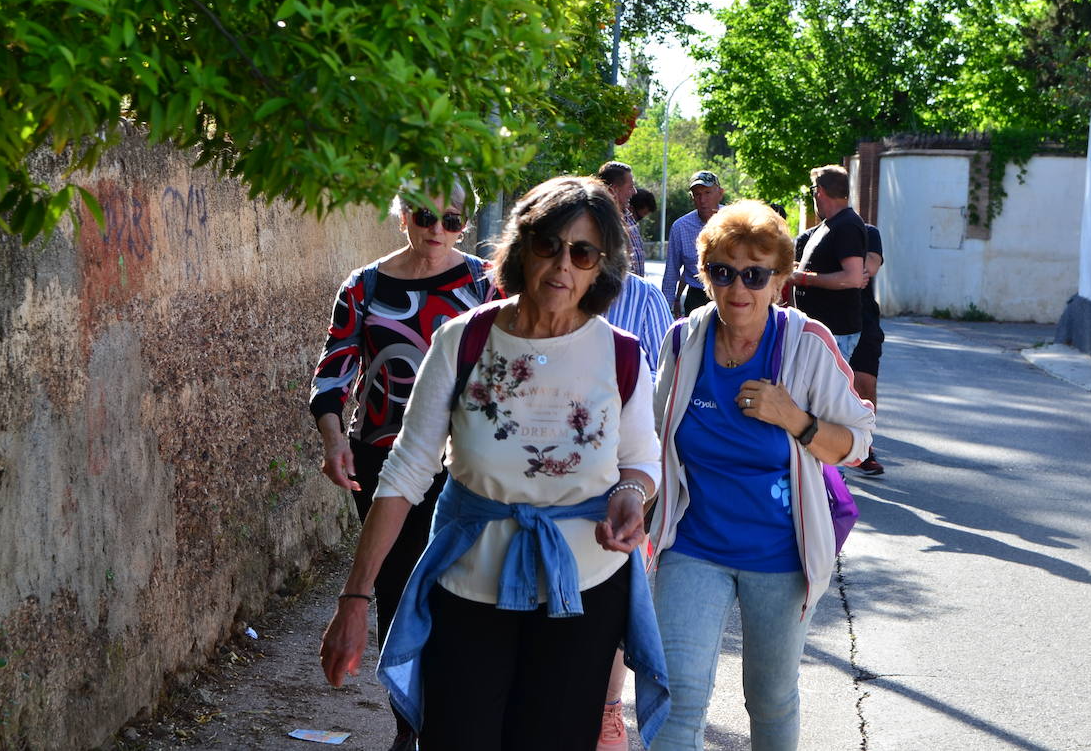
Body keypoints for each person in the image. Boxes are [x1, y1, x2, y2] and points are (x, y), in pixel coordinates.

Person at [320, 176, 670, 751]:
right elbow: (406, 470)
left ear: (599, 267)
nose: (562, 265)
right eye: (548, 245)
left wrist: (631, 496)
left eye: (582, 252)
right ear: (521, 246)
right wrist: (355, 600)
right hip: (467, 591)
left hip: (581, 595)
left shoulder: (621, 353)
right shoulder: (464, 340)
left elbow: (640, 463)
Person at [647, 200, 875, 751]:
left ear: (780, 280)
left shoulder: (806, 343)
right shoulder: (683, 341)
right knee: (677, 700)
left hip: (780, 556)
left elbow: (859, 444)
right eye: (723, 273)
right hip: (693, 546)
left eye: (755, 274)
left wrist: (793, 418)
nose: (738, 289)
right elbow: (652, 438)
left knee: (770, 700)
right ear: (705, 277)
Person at [308, 181, 494, 751]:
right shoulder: (364, 286)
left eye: (453, 220)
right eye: (425, 215)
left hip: (464, 460)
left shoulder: (487, 284)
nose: (437, 229)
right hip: (384, 457)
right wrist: (333, 437)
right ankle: (407, 725)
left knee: (457, 586)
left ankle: (450, 718)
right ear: (403, 216)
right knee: (394, 585)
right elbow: (335, 369)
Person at [595, 268, 672, 750]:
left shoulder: (642, 300)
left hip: (625, 475)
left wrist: (640, 487)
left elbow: (663, 390)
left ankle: (607, 709)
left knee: (614, 604)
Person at [791, 165, 867, 360]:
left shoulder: (847, 224)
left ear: (820, 191)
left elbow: (852, 277)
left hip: (835, 332)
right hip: (821, 331)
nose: (814, 196)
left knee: (825, 391)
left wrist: (804, 278)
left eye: (813, 191)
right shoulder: (830, 224)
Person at [662, 171, 725, 318]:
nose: (703, 199)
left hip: (728, 292)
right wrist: (664, 310)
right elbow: (671, 272)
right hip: (697, 298)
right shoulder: (680, 227)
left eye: (707, 193)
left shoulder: (734, 220)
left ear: (720, 194)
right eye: (697, 194)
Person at [849, 224, 885, 475]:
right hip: (825, 319)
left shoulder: (867, 232)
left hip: (864, 319)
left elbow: (870, 267)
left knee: (865, 384)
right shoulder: (812, 236)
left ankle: (865, 449)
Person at [599, 160, 646, 275]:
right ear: (613, 190)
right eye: (630, 187)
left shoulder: (628, 217)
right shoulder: (601, 221)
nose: (634, 192)